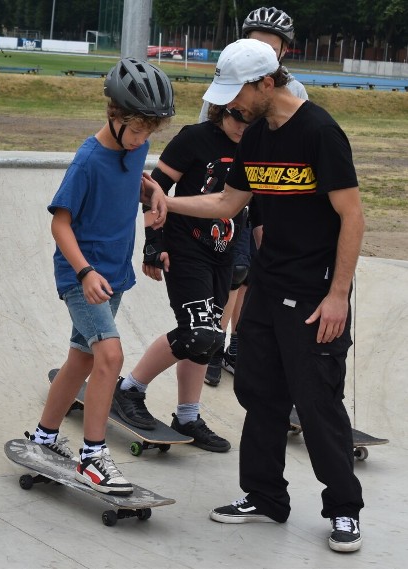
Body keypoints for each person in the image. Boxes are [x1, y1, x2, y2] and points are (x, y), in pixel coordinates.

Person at [167, 39, 365, 553]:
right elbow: (230, 202)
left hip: (316, 290)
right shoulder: (255, 136)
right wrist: (168, 203)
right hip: (269, 283)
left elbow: (352, 216)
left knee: (317, 401)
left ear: (266, 83)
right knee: (259, 393)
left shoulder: (320, 133)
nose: (230, 104)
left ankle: (344, 509)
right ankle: (265, 497)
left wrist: (338, 294)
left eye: (238, 93)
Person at [28, 58, 174, 494]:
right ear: (114, 115)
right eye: (137, 130)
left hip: (114, 274)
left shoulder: (136, 146)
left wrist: (153, 191)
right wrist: (85, 272)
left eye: (150, 132)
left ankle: (44, 438)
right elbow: (60, 224)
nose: (143, 139)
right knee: (109, 356)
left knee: (82, 357)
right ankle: (93, 456)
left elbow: (133, 180)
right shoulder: (88, 160)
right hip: (83, 277)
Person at [112, 103, 250, 453]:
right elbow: (153, 189)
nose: (242, 127)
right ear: (222, 109)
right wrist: (153, 244)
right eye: (237, 117)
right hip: (185, 247)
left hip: (225, 252)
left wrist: (248, 256)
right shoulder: (195, 138)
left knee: (210, 338)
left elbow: (253, 207)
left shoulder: (255, 148)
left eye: (252, 120)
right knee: (198, 331)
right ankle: (129, 389)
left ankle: (187, 417)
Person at [202, 5, 309, 386]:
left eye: (270, 44)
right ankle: (214, 344)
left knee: (253, 275)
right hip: (232, 187)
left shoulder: (293, 90)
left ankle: (238, 346)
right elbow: (207, 130)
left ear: (282, 52)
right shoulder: (230, 79)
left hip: (270, 192)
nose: (261, 49)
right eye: (254, 42)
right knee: (232, 270)